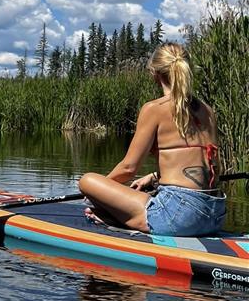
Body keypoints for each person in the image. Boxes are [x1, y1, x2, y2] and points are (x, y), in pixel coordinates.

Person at [79, 42, 226, 236]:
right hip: (215, 214)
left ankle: (114, 217)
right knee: (145, 195)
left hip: (178, 216)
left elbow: (128, 168)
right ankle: (118, 217)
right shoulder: (208, 110)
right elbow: (209, 165)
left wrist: (97, 194)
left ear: (154, 73)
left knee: (87, 180)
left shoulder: (154, 108)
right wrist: (154, 177)